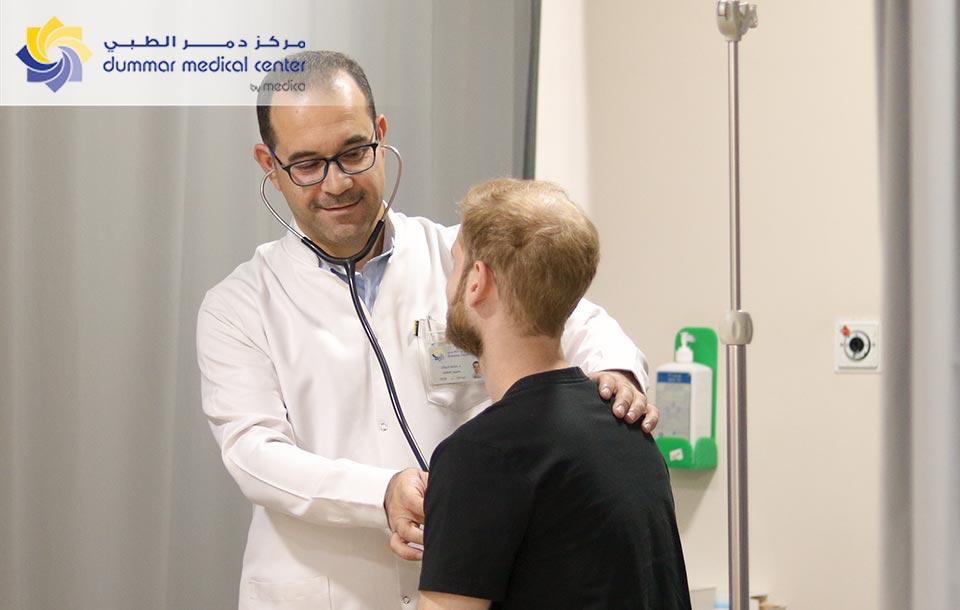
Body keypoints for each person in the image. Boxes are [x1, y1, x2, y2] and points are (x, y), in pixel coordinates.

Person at [197, 50, 657, 610]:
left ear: (380, 134)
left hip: (467, 584)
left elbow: (580, 318)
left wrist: (616, 373)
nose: (336, 183)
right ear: (269, 165)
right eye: (307, 165)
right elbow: (253, 452)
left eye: (353, 153)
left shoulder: (462, 257)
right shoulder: (240, 305)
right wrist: (380, 493)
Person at [418, 179, 691, 610]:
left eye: (455, 265)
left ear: (477, 282)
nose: (447, 286)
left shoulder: (479, 456)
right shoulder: (631, 433)